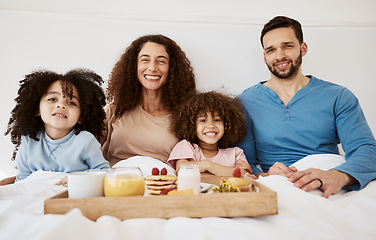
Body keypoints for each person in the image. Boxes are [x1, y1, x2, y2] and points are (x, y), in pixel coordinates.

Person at [238, 16, 376, 198]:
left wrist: (339, 176)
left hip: (330, 183)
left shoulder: (339, 96)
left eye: (287, 46)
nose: (280, 56)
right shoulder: (244, 102)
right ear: (265, 57)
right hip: (278, 185)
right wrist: (265, 175)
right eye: (271, 50)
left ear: (303, 49)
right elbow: (243, 161)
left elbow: (366, 149)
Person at [101, 34, 196, 166]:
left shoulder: (185, 116)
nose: (152, 68)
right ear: (134, 66)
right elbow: (87, 149)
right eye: (145, 60)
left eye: (161, 61)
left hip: (164, 183)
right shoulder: (114, 110)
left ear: (172, 68)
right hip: (117, 183)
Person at [5, 69, 110, 181]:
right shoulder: (28, 140)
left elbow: (104, 172)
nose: (61, 105)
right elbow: (22, 179)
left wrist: (75, 179)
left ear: (81, 116)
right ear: (37, 109)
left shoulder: (86, 141)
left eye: (71, 102)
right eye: (52, 99)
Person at [168, 91, 252, 176]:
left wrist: (201, 168)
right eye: (203, 120)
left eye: (217, 120)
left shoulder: (235, 153)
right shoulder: (186, 147)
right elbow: (182, 169)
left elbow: (244, 174)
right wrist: (208, 165)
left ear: (227, 124)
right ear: (191, 125)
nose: (211, 125)